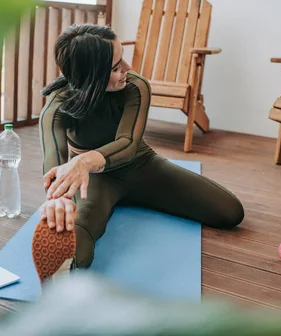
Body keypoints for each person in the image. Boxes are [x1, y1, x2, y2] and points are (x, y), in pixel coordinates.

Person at [32, 24, 244, 281]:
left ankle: (131, 198)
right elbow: (52, 163)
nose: (127, 68)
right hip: (96, 182)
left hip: (141, 167)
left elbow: (128, 143)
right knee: (80, 227)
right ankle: (61, 276)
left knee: (231, 212)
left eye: (122, 58)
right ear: (91, 76)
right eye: (115, 66)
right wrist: (59, 199)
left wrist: (83, 161)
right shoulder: (56, 107)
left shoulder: (135, 86)